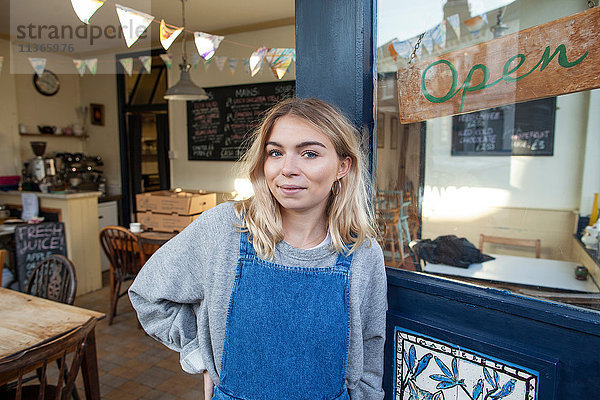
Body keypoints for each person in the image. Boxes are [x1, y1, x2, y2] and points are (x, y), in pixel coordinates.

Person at [129, 98, 387, 399]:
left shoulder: (363, 254)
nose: (287, 168)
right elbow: (148, 294)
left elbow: (370, 353)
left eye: (309, 153)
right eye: (275, 152)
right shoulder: (225, 228)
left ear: (343, 166)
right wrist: (200, 356)